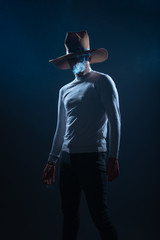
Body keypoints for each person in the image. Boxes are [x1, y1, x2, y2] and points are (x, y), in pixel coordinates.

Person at [43, 30, 121, 240]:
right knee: (69, 216)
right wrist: (52, 161)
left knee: (100, 216)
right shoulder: (64, 90)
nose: (76, 60)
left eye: (80, 56)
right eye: (72, 58)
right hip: (68, 161)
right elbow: (61, 128)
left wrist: (113, 156)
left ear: (88, 57)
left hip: (93, 157)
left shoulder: (102, 81)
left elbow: (115, 121)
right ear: (68, 61)